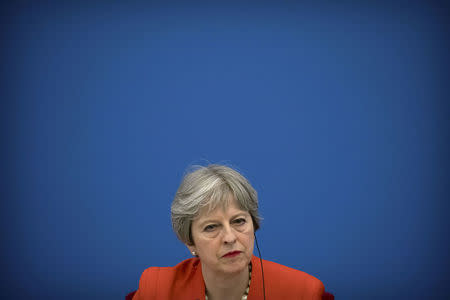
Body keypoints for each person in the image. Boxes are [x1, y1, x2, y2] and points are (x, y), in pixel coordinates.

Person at [132, 164, 325, 300]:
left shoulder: (304, 293)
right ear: (189, 241)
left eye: (239, 221)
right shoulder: (158, 290)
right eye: (211, 227)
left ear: (254, 225)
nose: (230, 238)